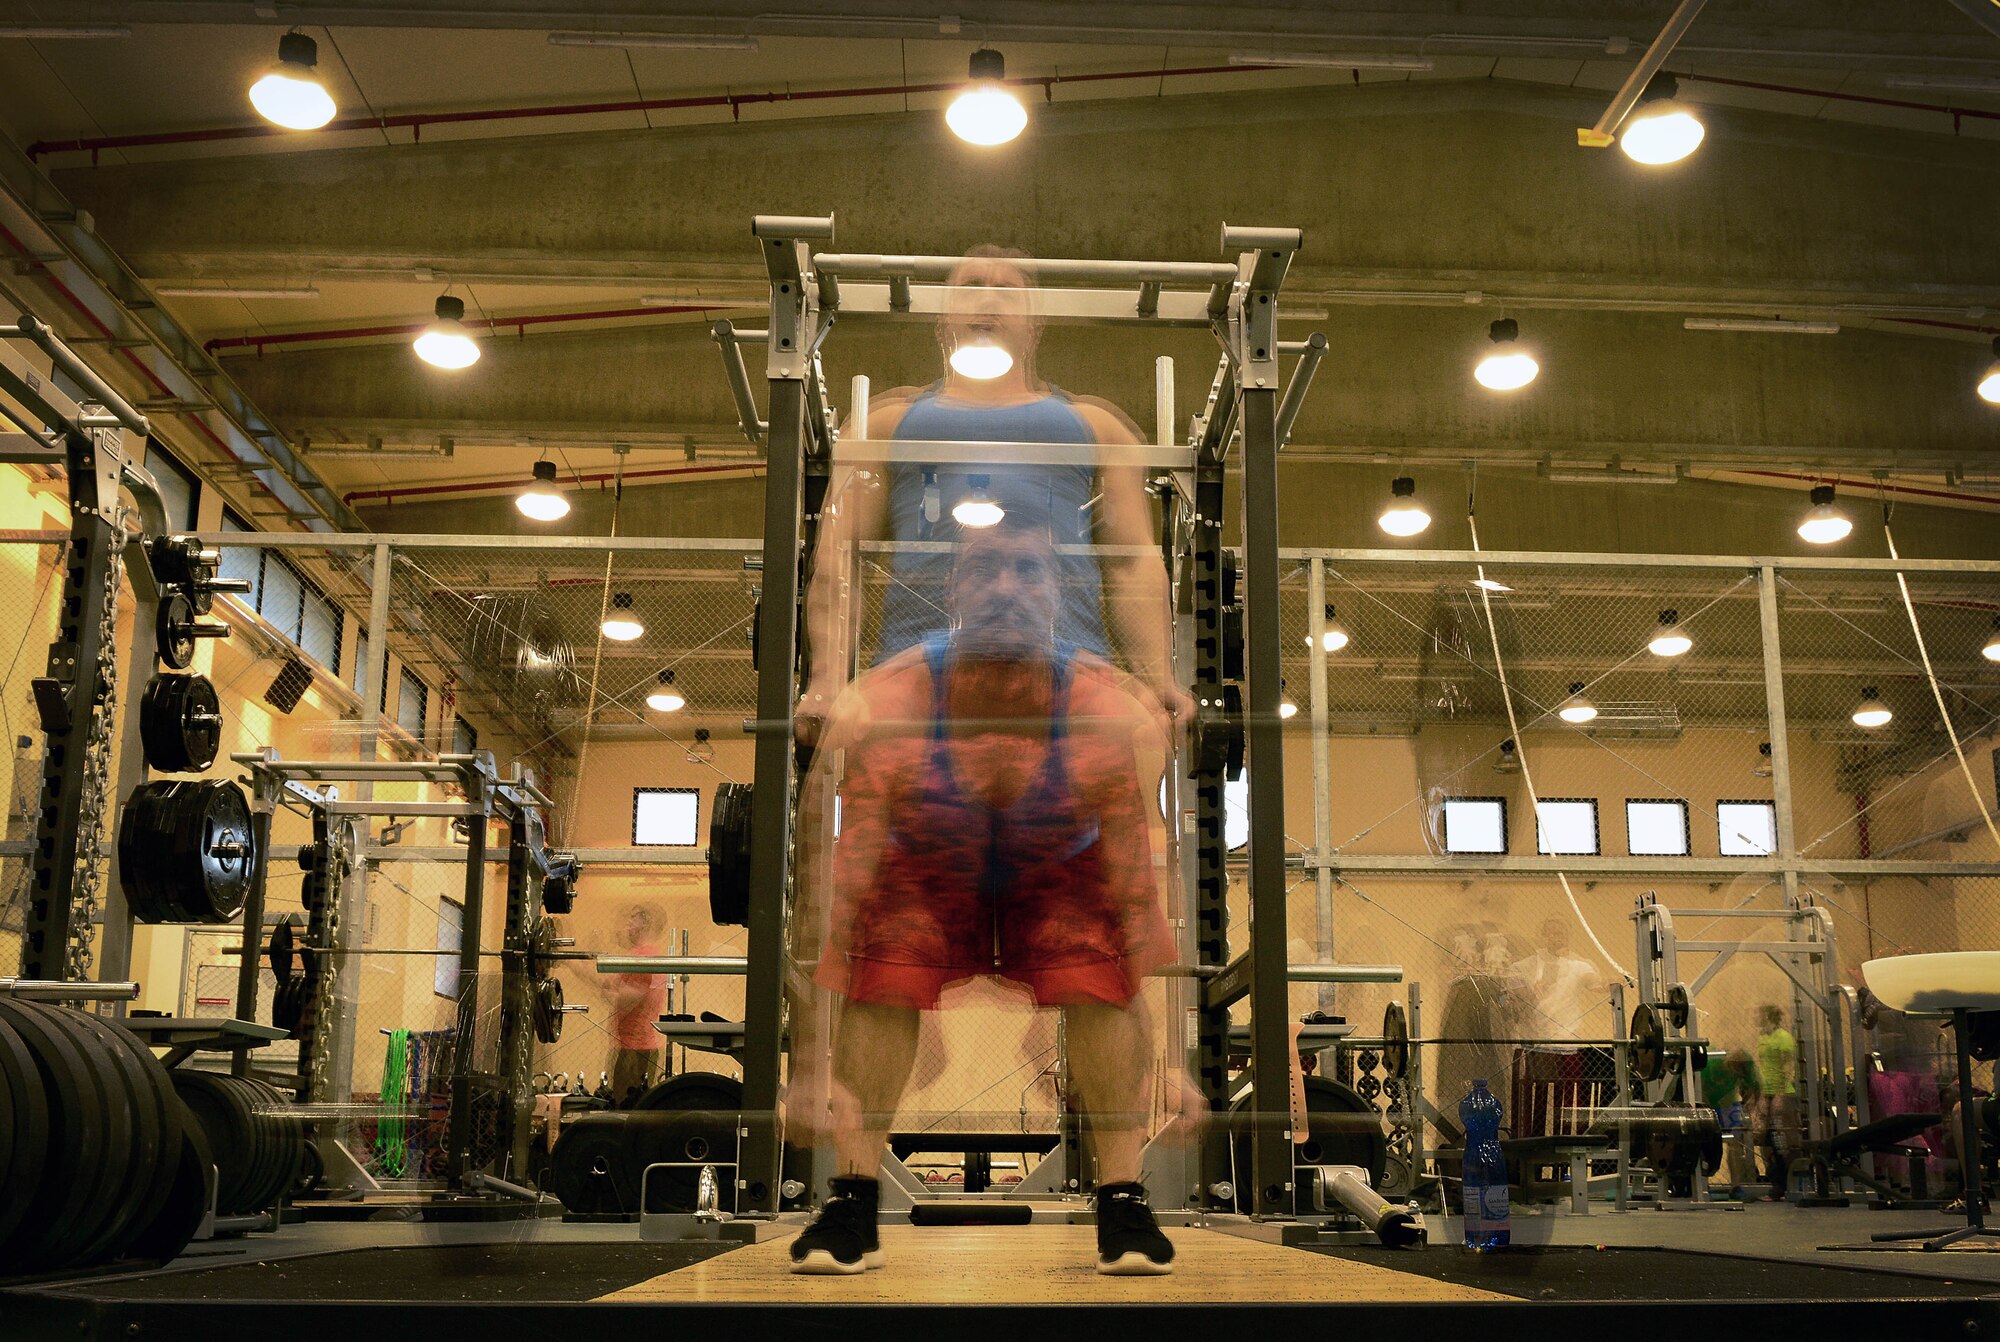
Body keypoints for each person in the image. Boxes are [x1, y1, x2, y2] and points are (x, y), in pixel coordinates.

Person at [785, 517, 1185, 1276]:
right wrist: (806, 1065)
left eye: (1028, 572)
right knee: (882, 955)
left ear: (1057, 593)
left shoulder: (1106, 706)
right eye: (986, 572)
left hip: (1054, 859)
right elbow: (848, 888)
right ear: (953, 593)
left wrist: (1173, 1063)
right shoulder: (893, 699)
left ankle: (1124, 1202)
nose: (1007, 588)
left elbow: (1135, 894)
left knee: (1101, 959)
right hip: (930, 854)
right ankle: (852, 1202)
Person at [796, 245, 1189, 742]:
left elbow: (1131, 562)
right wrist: (827, 681)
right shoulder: (883, 423)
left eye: (1006, 289)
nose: (988, 300)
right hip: (919, 682)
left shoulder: (1099, 427)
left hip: (1069, 679)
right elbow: (839, 557)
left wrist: (1159, 680)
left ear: (1036, 322)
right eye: (970, 286)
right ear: (943, 318)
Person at [603, 904, 667, 1102]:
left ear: (645, 924)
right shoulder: (643, 956)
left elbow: (623, 1000)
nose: (628, 924)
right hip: (632, 1047)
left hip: (636, 1049)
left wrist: (607, 991)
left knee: (627, 1106)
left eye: (633, 919)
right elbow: (612, 988)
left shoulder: (644, 958)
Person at [1753, 1004, 1799, 1199]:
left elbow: (1788, 1067)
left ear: (1768, 1016)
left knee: (1783, 1142)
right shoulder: (1763, 1038)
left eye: (1759, 1014)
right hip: (1769, 1094)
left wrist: (1780, 1094)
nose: (1755, 1018)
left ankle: (1788, 1185)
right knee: (1767, 1141)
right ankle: (1776, 1185)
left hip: (1782, 1094)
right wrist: (1763, 1096)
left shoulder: (1783, 1038)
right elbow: (1764, 1068)